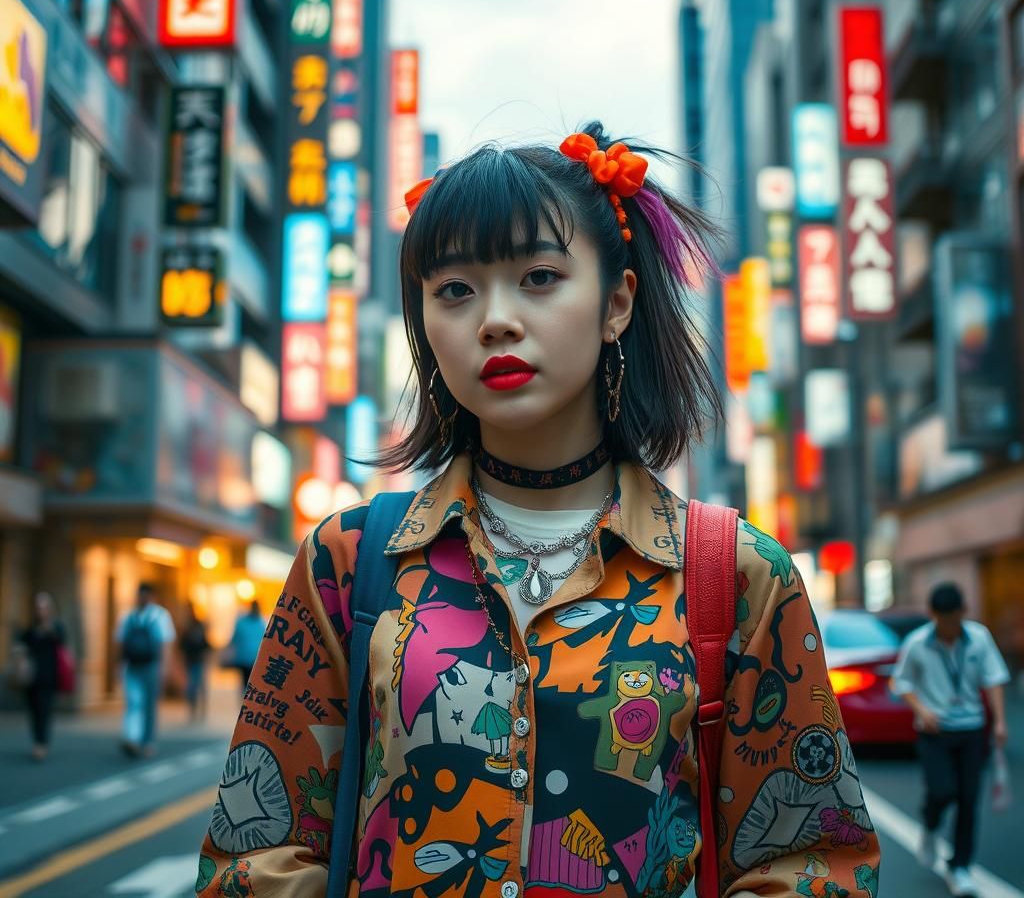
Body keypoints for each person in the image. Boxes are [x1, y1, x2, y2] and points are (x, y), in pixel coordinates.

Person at [196, 125, 880, 897]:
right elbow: (254, 851)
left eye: (540, 277)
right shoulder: (349, 562)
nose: (494, 319)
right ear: (422, 321)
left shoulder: (738, 576)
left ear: (616, 302)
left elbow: (812, 864)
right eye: (454, 290)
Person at [891, 581, 1010, 898]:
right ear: (933, 615)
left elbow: (995, 678)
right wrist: (922, 709)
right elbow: (900, 683)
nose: (949, 626)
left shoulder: (979, 638)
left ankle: (960, 867)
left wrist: (999, 721)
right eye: (943, 619)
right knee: (943, 790)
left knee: (969, 800)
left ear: (963, 612)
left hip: (972, 729)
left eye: (954, 618)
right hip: (934, 731)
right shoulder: (918, 643)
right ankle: (930, 828)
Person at [116, 582, 176, 757]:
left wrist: (164, 667)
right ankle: (133, 738)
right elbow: (120, 643)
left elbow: (166, 645)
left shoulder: (138, 616)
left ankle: (146, 740)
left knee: (147, 704)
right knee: (134, 702)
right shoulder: (152, 616)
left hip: (150, 666)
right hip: (136, 665)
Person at [17, 592, 67, 761]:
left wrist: (48, 626)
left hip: (48, 677)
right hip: (31, 677)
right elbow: (21, 644)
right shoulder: (31, 629)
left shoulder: (55, 627)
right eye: (38, 607)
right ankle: (37, 741)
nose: (41, 610)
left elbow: (61, 642)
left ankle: (41, 743)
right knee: (34, 710)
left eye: (44, 607)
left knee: (44, 710)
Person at [180, 604, 212, 721]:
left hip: (197, 660)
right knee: (194, 686)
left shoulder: (194, 626)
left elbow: (205, 643)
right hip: (193, 660)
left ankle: (199, 710)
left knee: (197, 686)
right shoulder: (189, 627)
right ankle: (195, 710)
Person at [227, 600, 266, 693]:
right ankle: (250, 700)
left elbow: (234, 639)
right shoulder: (261, 622)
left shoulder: (241, 622)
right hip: (256, 658)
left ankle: (245, 700)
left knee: (245, 682)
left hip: (243, 658)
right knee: (253, 682)